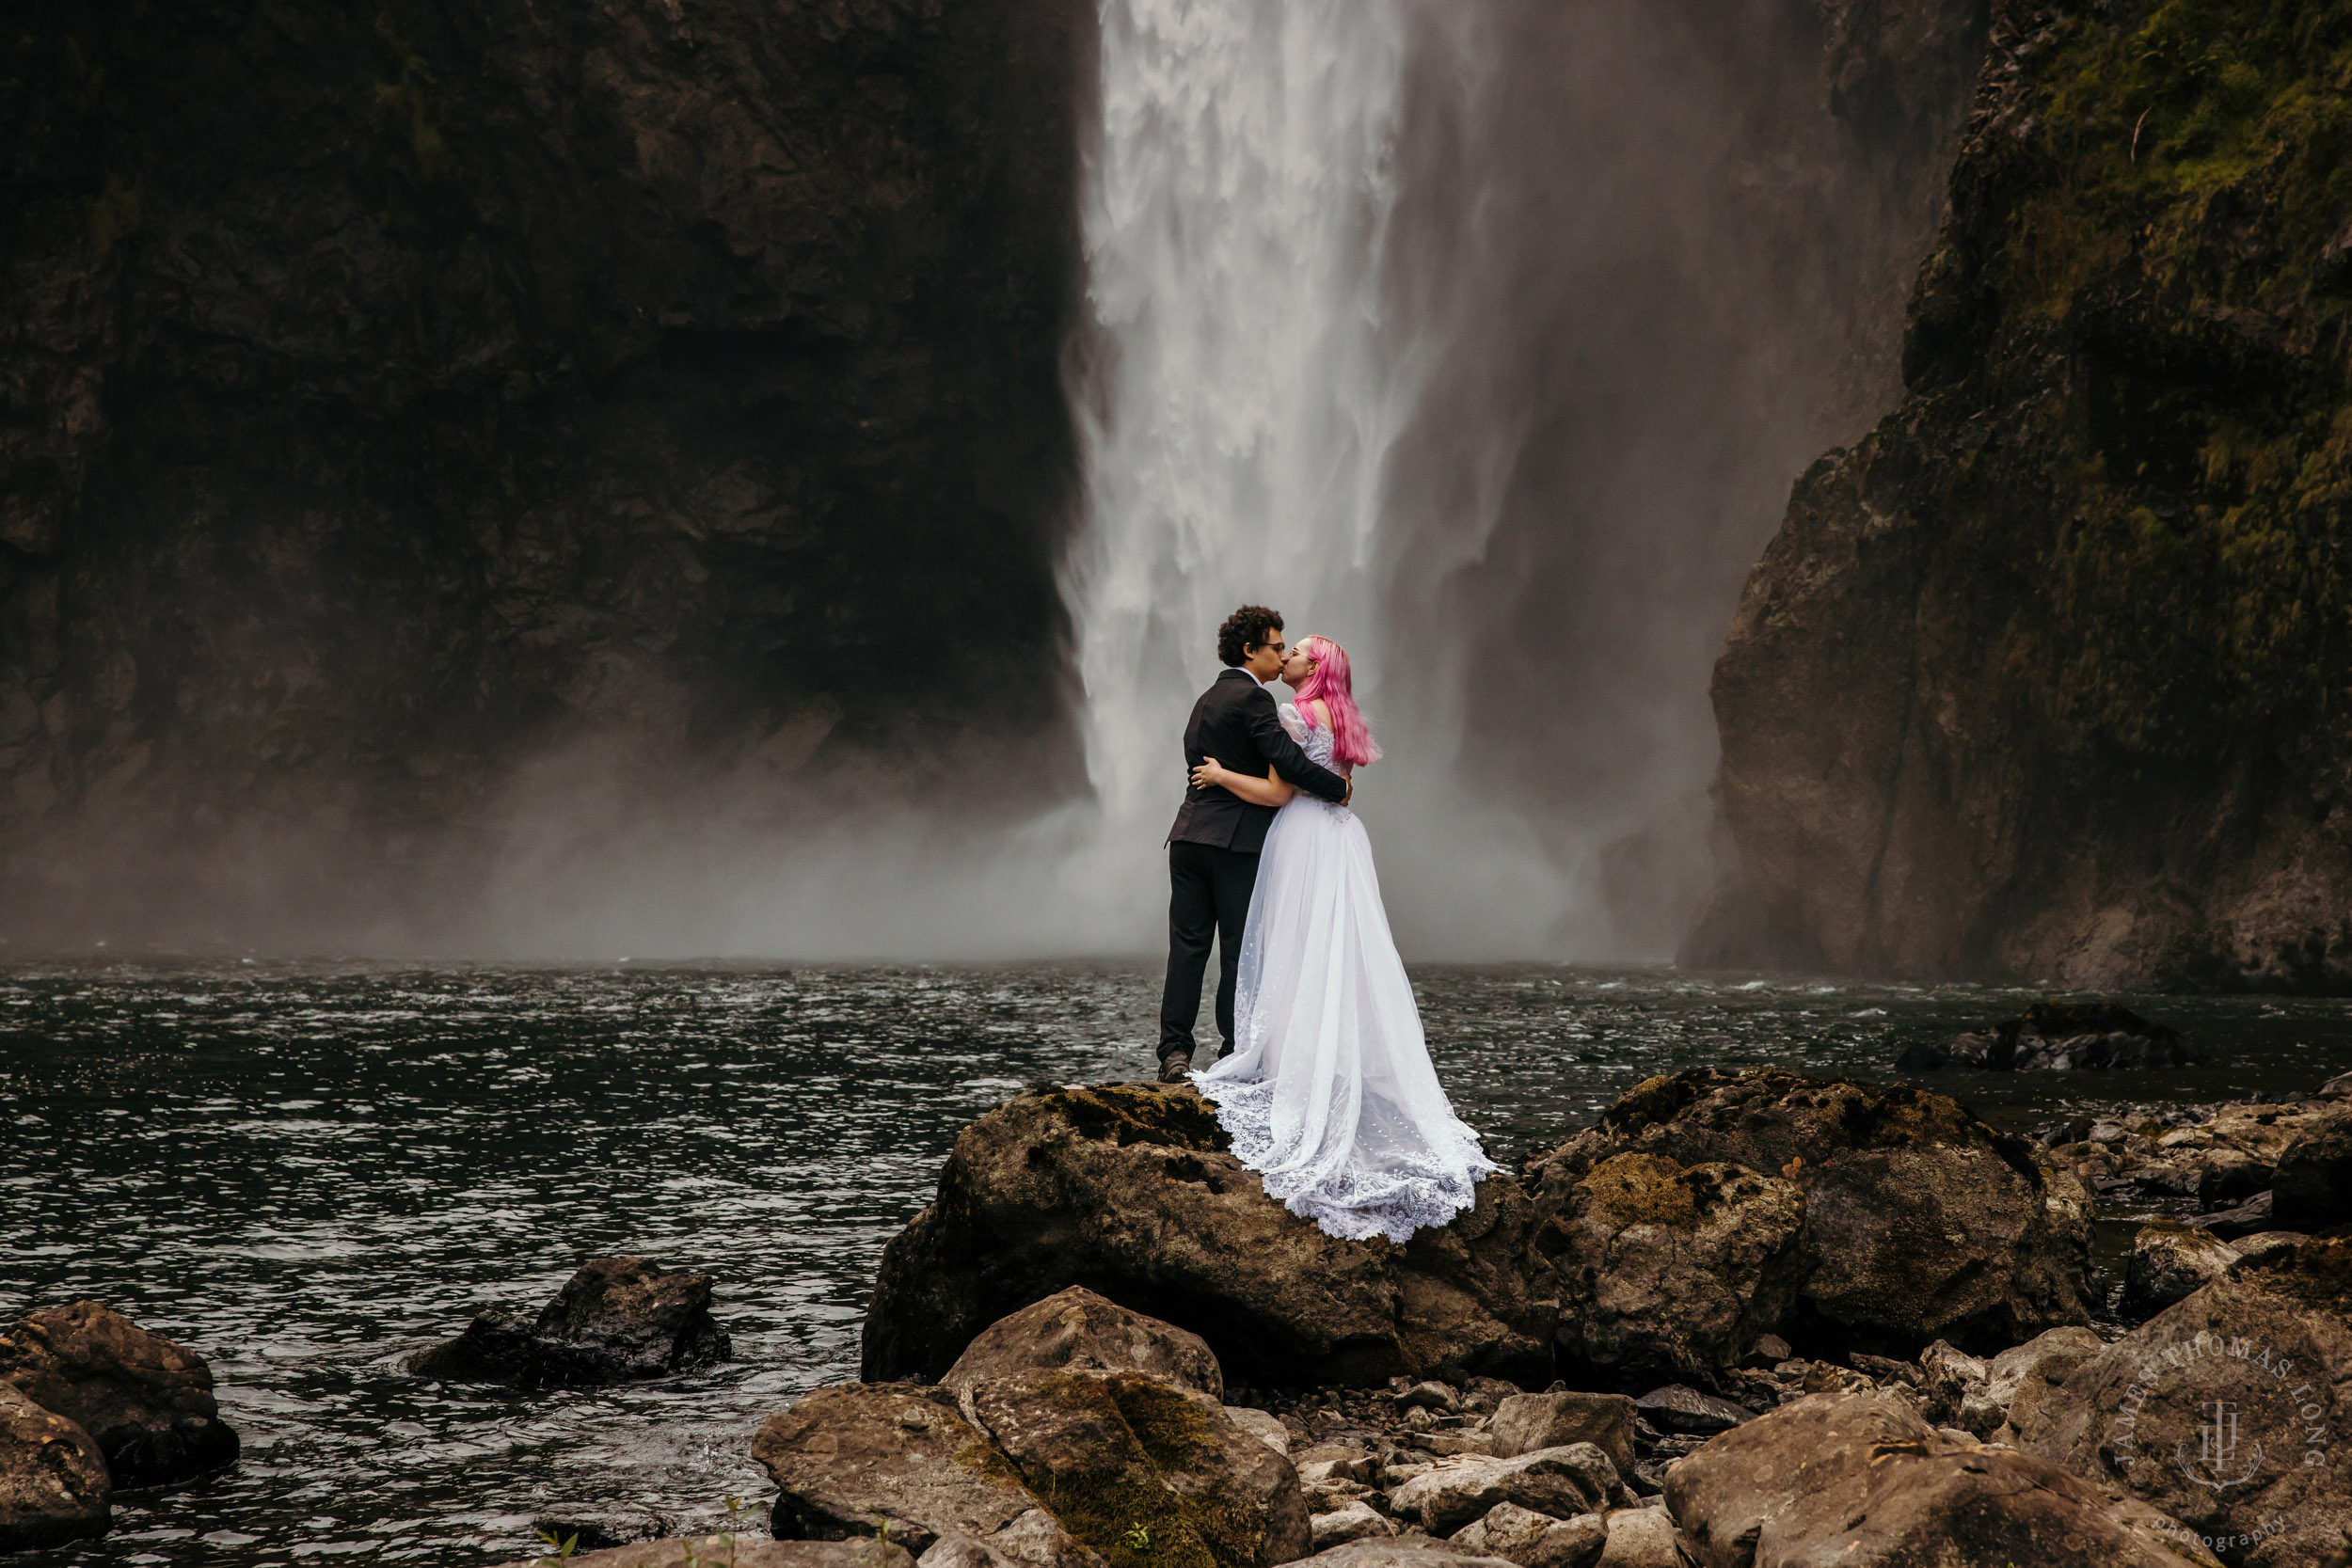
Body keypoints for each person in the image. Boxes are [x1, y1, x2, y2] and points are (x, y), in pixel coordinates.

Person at [1186, 633, 1497, 1243]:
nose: (1291, 656)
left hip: (1300, 835)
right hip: (1343, 838)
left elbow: (1279, 792)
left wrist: (1222, 774)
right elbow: (1344, 789)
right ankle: (1339, 1060)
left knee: (1297, 946)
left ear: (1315, 666)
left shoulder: (1292, 714)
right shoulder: (1345, 716)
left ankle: (1287, 1064)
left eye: (1299, 650)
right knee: (1342, 951)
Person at [1159, 606, 1353, 1082]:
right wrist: (1337, 789)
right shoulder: (1255, 700)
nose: (1283, 655)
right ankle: (1234, 1050)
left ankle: (1173, 1053)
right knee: (1238, 950)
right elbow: (1286, 762)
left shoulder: (1204, 700)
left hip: (1186, 838)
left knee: (1187, 948)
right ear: (1251, 651)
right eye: (1276, 647)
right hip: (1234, 844)